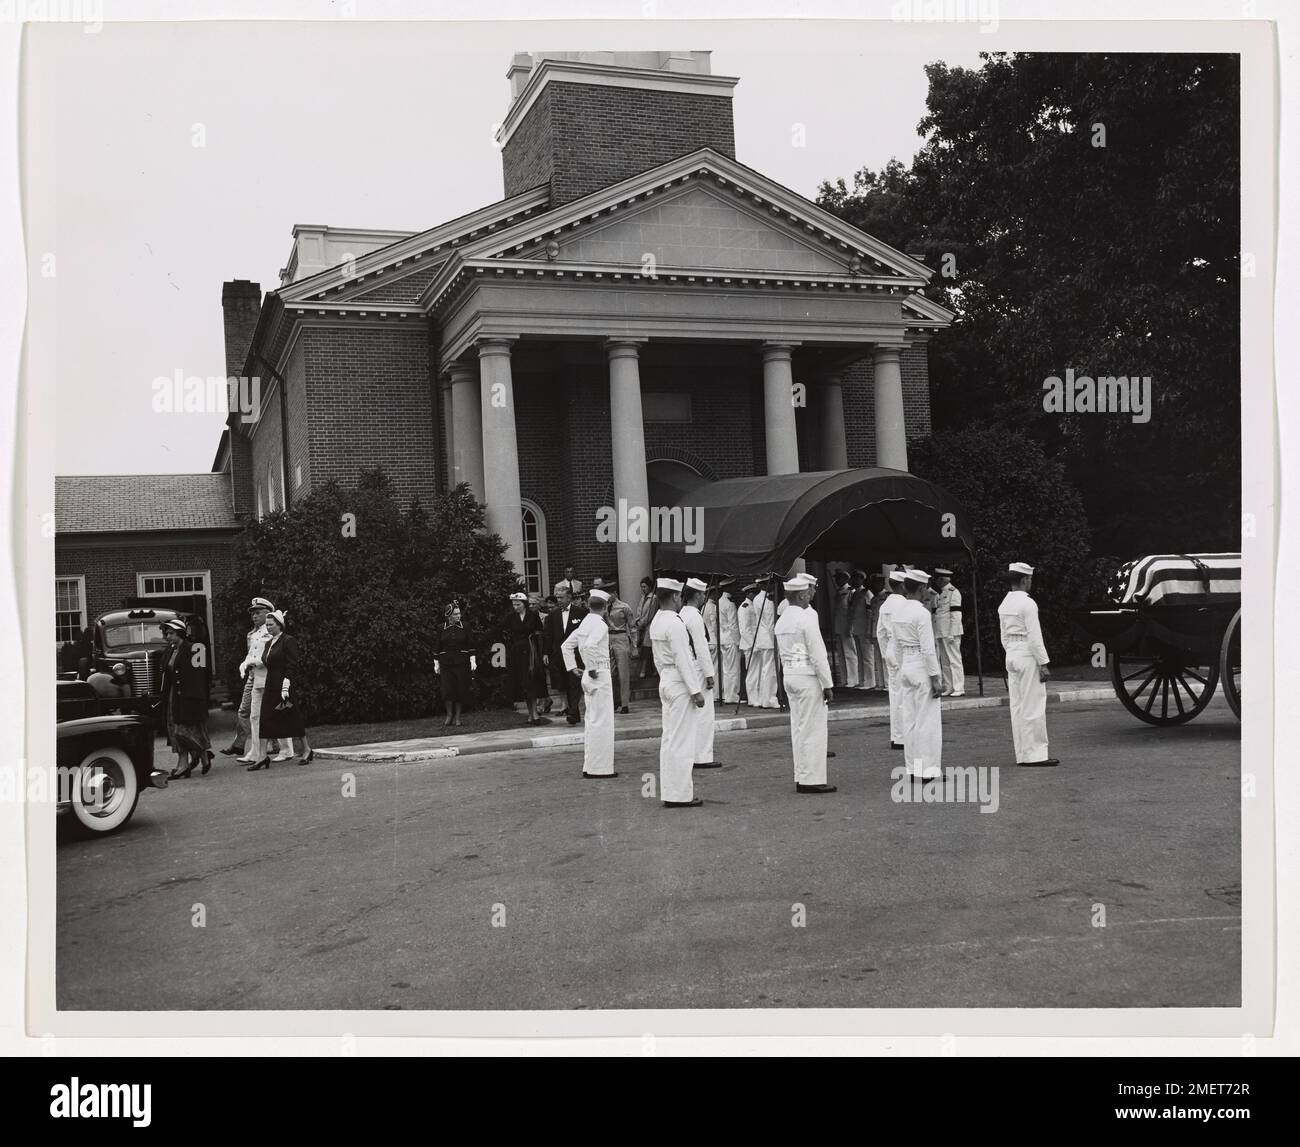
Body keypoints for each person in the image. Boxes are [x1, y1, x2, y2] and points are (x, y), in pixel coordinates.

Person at [774, 576, 836, 794]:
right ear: (801, 594)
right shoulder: (805, 618)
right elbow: (818, 654)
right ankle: (812, 779)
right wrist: (827, 683)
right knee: (813, 729)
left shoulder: (782, 619)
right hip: (807, 676)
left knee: (799, 728)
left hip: (790, 674)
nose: (811, 594)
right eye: (808, 592)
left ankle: (802, 775)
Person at [648, 578, 706, 808]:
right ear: (673, 597)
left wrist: (665, 676)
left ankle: (672, 791)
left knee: (670, 739)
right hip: (680, 683)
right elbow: (684, 659)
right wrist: (695, 690)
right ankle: (681, 794)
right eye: (679, 596)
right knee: (682, 740)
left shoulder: (656, 621)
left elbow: (656, 658)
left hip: (666, 680)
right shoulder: (675, 623)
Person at [999, 562, 1059, 767]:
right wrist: (1043, 663)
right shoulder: (1028, 604)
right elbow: (1034, 637)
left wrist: (1012, 652)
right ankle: (1036, 755)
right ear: (1024, 579)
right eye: (1030, 579)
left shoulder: (1004, 603)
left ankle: (1023, 754)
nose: (1031, 582)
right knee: (1033, 705)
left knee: (1017, 707)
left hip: (1012, 654)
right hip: (1026, 653)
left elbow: (1003, 637)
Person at [891, 569, 943, 784]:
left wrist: (902, 667)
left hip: (906, 665)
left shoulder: (899, 611)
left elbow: (895, 647)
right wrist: (935, 676)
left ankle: (913, 768)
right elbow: (928, 649)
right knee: (927, 721)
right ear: (921, 588)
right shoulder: (921, 613)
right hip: (921, 666)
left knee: (910, 720)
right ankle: (928, 770)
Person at [562, 588, 616, 778]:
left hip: (587, 674)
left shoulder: (585, 623)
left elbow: (566, 645)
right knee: (603, 722)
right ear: (605, 607)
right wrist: (592, 667)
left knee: (592, 721)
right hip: (599, 674)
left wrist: (573, 667)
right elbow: (591, 645)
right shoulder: (600, 625)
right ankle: (601, 768)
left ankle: (590, 765)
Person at [250, 610, 313, 768]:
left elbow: (293, 664)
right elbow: (266, 661)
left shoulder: (288, 640)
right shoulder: (269, 643)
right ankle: (262, 756)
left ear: (280, 625)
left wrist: (286, 685)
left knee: (293, 717)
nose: (269, 627)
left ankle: (306, 749)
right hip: (270, 684)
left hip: (284, 685)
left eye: (271, 625)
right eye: (267, 625)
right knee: (265, 718)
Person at [222, 597, 277, 760]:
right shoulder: (251, 634)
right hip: (253, 676)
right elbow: (250, 653)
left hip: (266, 676)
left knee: (267, 712)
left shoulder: (271, 631)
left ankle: (274, 745)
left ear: (268, 614)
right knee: (245, 711)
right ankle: (240, 746)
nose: (253, 616)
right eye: (252, 613)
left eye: (257, 613)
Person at [160, 618, 211, 778]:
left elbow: (202, 675)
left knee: (188, 730)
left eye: (171, 633)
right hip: (173, 695)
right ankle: (183, 764)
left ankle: (202, 754)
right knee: (174, 731)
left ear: (180, 633)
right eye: (166, 633)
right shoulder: (169, 650)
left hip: (190, 695)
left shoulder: (197, 648)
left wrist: (197, 699)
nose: (167, 637)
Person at [680, 577, 720, 770]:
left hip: (689, 666)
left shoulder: (683, 614)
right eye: (703, 593)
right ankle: (703, 756)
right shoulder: (695, 616)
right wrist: (709, 673)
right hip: (697, 667)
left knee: (693, 714)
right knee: (704, 714)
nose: (705, 596)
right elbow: (701, 647)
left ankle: (694, 753)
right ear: (696, 595)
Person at [544, 581, 587, 724]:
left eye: (562, 598)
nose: (559, 601)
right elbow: (548, 636)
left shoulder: (581, 613)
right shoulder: (552, 616)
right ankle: (572, 710)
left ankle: (573, 712)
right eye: (557, 598)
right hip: (558, 655)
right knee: (564, 684)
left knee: (574, 682)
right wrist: (546, 653)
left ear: (569, 597)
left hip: (576, 654)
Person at [875, 568, 909, 749]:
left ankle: (896, 736)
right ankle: (903, 737)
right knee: (905, 694)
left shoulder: (885, 605)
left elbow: (880, 632)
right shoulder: (904, 604)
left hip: (890, 649)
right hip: (902, 650)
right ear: (903, 585)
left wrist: (885, 652)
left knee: (894, 694)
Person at [505, 591, 548, 726]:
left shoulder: (533, 616)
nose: (515, 607)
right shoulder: (511, 617)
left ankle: (534, 714)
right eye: (514, 604)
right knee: (524, 683)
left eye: (518, 604)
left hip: (531, 653)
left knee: (532, 682)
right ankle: (531, 714)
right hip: (518, 654)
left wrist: (541, 650)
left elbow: (541, 632)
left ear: (524, 604)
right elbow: (504, 631)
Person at [596, 578, 636, 714]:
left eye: (609, 594)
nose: (607, 597)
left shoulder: (624, 607)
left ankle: (625, 703)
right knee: (610, 672)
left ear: (614, 593)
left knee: (623, 672)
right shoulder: (603, 607)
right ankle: (615, 700)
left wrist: (634, 645)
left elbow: (632, 627)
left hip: (621, 637)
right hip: (607, 638)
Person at [434, 602, 477, 727]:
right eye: (456, 614)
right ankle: (449, 715)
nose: (459, 616)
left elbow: (471, 644)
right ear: (449, 615)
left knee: (460, 689)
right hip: (446, 663)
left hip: (462, 662)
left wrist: (472, 659)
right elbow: (437, 646)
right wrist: (436, 662)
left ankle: (458, 717)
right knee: (447, 689)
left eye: (459, 613)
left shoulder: (466, 627)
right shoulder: (441, 628)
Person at [745, 581, 779, 708]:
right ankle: (769, 699)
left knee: (765, 671)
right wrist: (774, 640)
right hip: (768, 640)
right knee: (770, 672)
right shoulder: (767, 601)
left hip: (761, 639)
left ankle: (763, 698)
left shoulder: (757, 599)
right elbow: (770, 624)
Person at [932, 568, 965, 697]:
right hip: (942, 632)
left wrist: (952, 632)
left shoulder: (953, 592)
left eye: (938, 579)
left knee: (954, 660)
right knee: (945, 661)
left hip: (951, 632)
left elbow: (956, 614)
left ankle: (959, 687)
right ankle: (949, 686)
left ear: (942, 579)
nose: (936, 582)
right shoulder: (941, 593)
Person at [849, 570, 877, 690]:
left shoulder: (867, 593)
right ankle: (862, 680)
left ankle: (870, 681)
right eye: (854, 578)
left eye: (857, 578)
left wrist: (868, 629)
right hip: (856, 628)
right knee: (860, 656)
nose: (855, 581)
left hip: (864, 628)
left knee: (867, 657)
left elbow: (870, 612)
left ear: (862, 579)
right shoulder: (855, 593)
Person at [717, 580, 742, 703]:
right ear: (729, 587)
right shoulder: (730, 604)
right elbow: (733, 625)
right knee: (733, 669)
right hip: (731, 639)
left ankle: (727, 694)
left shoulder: (718, 602)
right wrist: (738, 642)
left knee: (726, 669)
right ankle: (732, 696)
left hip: (722, 638)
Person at [831, 569, 856, 687]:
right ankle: (845, 679)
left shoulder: (850, 591)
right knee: (841, 654)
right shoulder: (839, 591)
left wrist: (850, 627)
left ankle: (853, 679)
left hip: (846, 626)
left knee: (849, 653)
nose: (836, 580)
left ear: (845, 578)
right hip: (838, 626)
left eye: (839, 577)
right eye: (836, 578)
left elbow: (851, 611)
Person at [635, 575, 658, 680]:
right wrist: (638, 621)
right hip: (642, 626)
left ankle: (644, 670)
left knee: (647, 649)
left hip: (649, 626)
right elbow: (639, 611)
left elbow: (650, 613)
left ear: (649, 587)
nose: (643, 589)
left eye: (644, 587)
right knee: (646, 648)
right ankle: (653, 670)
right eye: (642, 587)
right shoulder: (643, 598)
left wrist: (642, 623)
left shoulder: (653, 598)